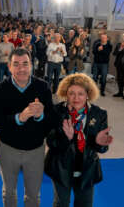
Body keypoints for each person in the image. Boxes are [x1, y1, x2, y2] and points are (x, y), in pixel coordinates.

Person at [0, 48, 54, 207]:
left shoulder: (43, 87)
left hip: (35, 151)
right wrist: (19, 118)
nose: (21, 69)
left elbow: (52, 121)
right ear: (9, 67)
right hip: (8, 150)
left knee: (33, 195)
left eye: (25, 64)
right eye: (16, 64)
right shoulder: (1, 88)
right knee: (9, 193)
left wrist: (40, 116)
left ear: (31, 65)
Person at [45, 73, 113, 207]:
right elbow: (51, 142)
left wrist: (99, 143)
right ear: (65, 94)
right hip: (61, 167)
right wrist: (67, 138)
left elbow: (102, 149)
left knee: (85, 204)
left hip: (87, 169)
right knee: (61, 203)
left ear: (88, 94)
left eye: (80, 93)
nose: (76, 98)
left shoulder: (99, 114)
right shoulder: (55, 111)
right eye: (71, 93)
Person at [112, 33, 124, 98]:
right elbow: (114, 53)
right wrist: (121, 48)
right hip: (119, 65)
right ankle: (120, 92)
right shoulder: (119, 44)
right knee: (119, 79)